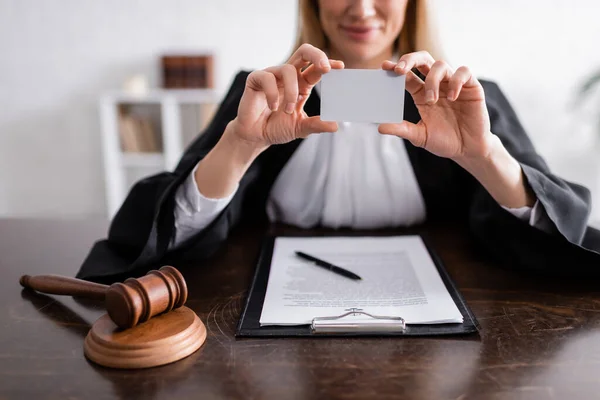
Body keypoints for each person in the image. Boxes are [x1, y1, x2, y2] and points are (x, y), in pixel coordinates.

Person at [78, 0, 600, 282]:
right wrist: (238, 144)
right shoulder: (260, 94)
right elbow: (166, 228)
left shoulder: (469, 100)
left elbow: (558, 234)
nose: (362, 8)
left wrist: (484, 156)